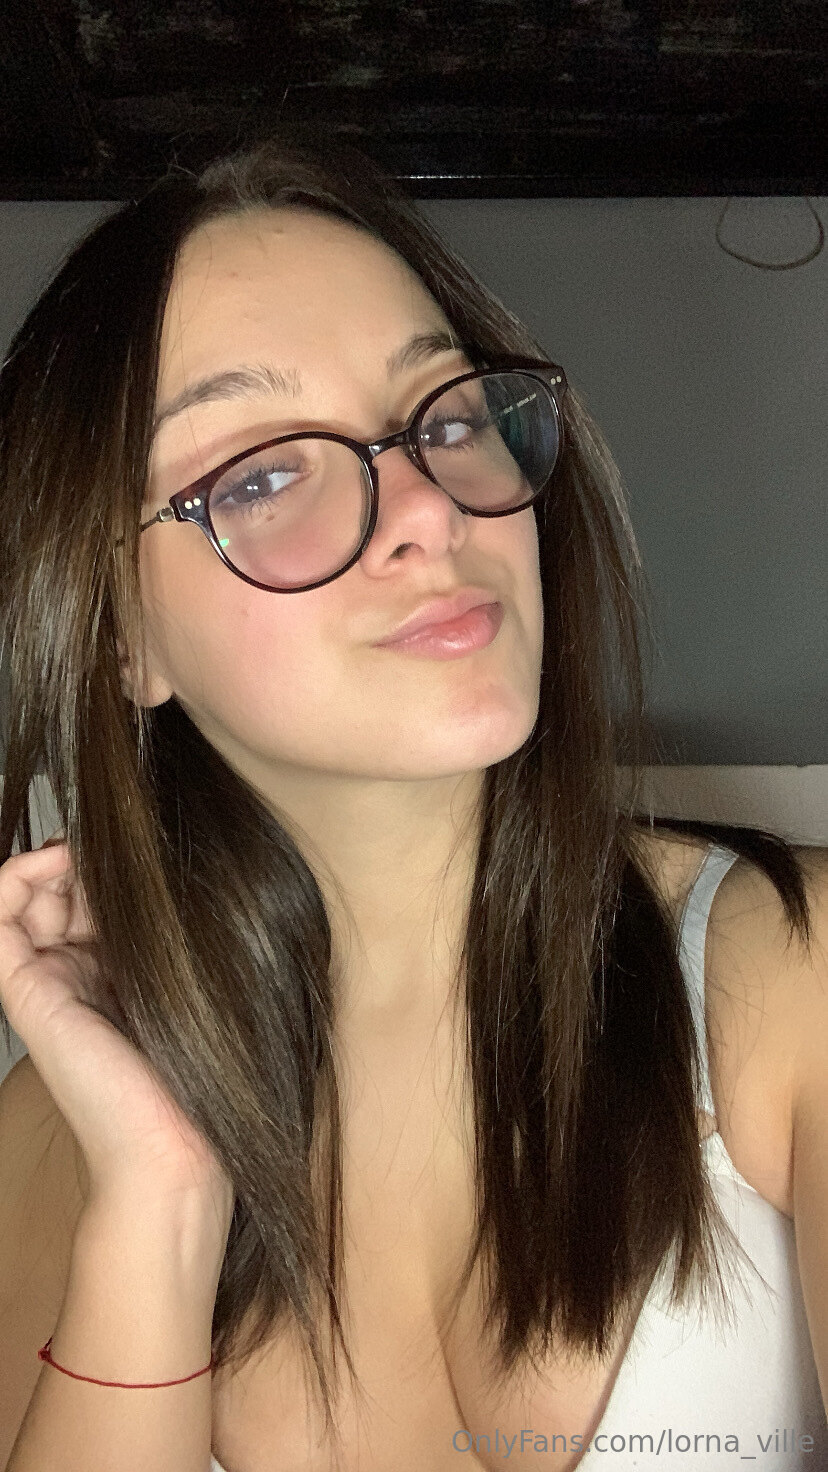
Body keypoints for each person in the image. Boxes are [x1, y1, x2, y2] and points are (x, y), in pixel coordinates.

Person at [0, 131, 825, 1472]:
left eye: (445, 419)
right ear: (119, 641)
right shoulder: (52, 1139)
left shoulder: (791, 977)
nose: (430, 511)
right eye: (264, 475)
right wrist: (156, 1202)